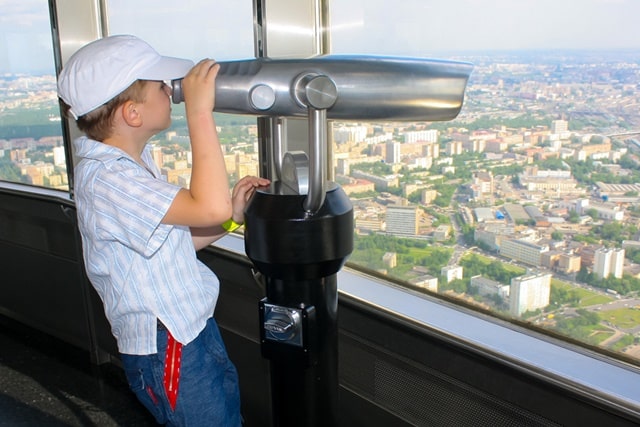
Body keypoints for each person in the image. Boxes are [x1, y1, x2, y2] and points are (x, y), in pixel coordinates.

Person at [57, 34, 269, 426]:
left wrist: (231, 218)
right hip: (169, 345)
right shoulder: (108, 179)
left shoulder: (129, 165)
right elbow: (207, 203)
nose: (172, 92)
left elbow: (172, 246)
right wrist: (200, 113)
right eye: (161, 86)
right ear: (133, 114)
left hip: (191, 332)